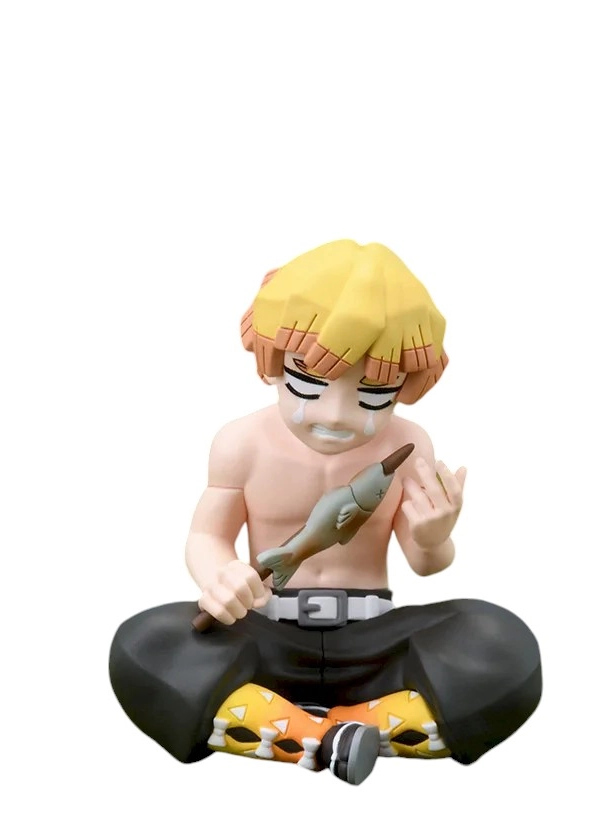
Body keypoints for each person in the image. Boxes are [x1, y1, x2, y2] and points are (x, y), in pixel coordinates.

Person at [110, 240, 541, 784]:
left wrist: (434, 537)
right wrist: (221, 576)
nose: (335, 415)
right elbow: (206, 535)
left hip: (373, 640)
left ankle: (315, 730)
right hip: (266, 631)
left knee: (501, 643)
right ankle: (338, 738)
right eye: (307, 382)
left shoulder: (408, 446)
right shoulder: (241, 443)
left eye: (373, 394)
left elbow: (425, 563)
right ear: (272, 362)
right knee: (147, 642)